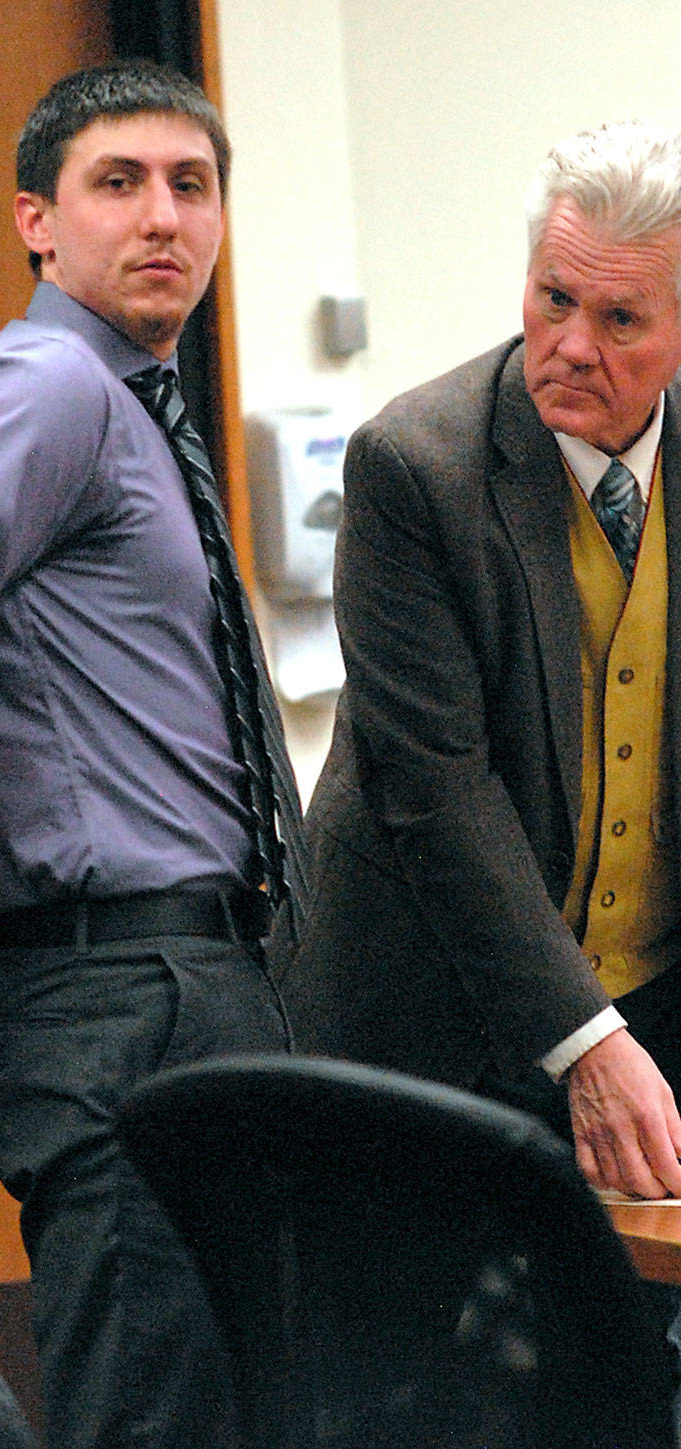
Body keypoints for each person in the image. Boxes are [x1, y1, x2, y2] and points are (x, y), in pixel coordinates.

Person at [0, 60, 304, 1449]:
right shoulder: (49, 389)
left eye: (191, 186)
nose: (164, 218)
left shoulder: (135, 398)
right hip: (115, 989)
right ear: (37, 220)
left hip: (191, 978)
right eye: (118, 183)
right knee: (151, 1422)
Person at [276, 119, 681, 1204]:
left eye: (619, 318)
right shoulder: (415, 467)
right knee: (416, 1367)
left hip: (652, 1010)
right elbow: (436, 791)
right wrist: (585, 1041)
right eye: (553, 299)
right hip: (422, 1019)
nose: (572, 344)